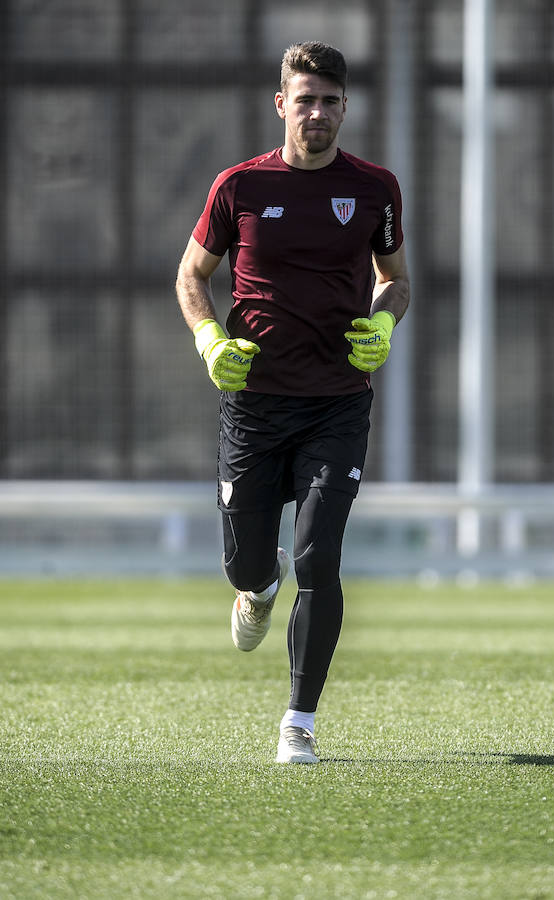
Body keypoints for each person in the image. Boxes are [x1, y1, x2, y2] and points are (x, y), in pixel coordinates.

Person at [175, 40, 409, 764]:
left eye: (329, 102)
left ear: (345, 109)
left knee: (320, 556)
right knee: (249, 567)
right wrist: (210, 340)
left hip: (337, 402)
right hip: (254, 406)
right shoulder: (238, 187)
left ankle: (298, 725)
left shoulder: (374, 188)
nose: (317, 113)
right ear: (281, 104)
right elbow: (191, 277)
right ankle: (257, 582)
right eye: (304, 100)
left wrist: (381, 321)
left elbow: (395, 280)